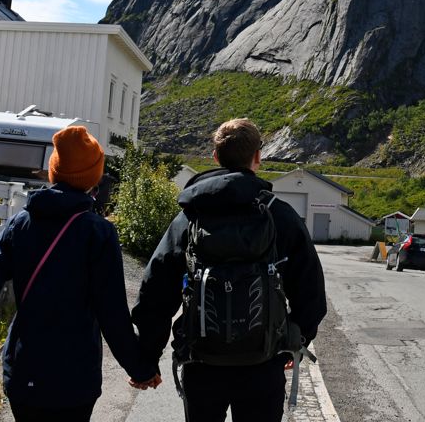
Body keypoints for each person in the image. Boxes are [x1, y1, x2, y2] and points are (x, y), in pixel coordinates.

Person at [0, 125, 161, 421]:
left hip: (24, 370)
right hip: (75, 376)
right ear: (94, 178)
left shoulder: (20, 224)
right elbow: (112, 313)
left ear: (54, 171)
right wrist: (140, 369)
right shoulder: (98, 232)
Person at [131, 117, 327, 421]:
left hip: (202, 362)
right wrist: (295, 339)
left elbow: (156, 289)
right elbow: (311, 291)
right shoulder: (279, 215)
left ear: (215, 156)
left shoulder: (191, 217)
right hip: (263, 364)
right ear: (257, 157)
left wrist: (147, 357)